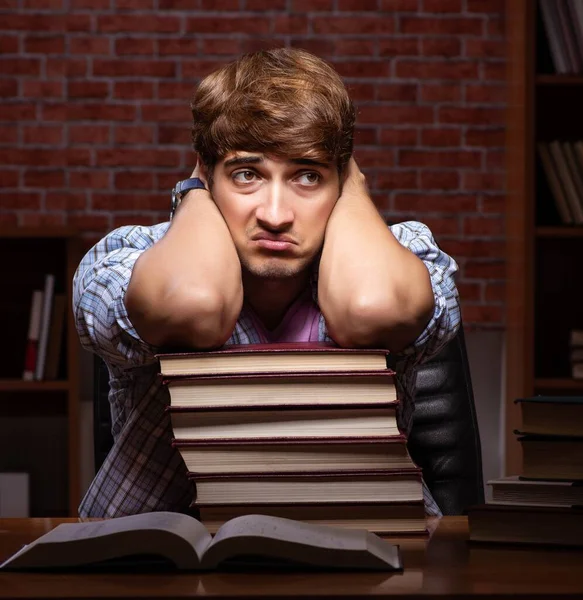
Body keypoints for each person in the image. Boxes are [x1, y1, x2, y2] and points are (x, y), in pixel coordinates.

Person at [73, 47, 460, 518]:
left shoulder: (402, 253)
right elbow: (192, 306)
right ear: (207, 173)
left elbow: (372, 308)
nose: (275, 216)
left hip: (368, 566)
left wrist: (353, 186)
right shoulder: (131, 256)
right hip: (158, 572)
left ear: (343, 180)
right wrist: (194, 193)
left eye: (308, 176)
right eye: (245, 174)